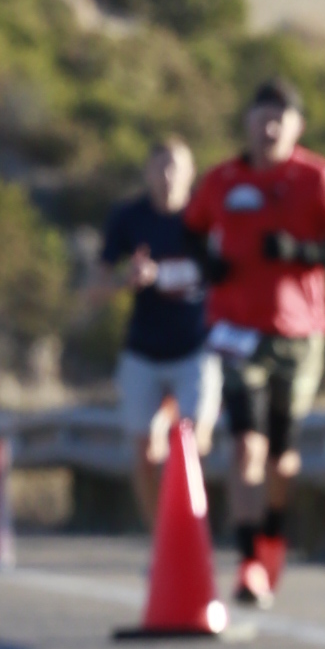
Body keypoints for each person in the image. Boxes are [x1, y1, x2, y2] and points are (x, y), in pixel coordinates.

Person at [185, 82, 325, 608]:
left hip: (298, 334)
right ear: (246, 122)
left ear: (296, 128)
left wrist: (299, 251)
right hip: (236, 332)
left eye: (279, 120)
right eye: (261, 118)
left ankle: (272, 536)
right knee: (246, 445)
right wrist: (208, 264)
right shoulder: (221, 180)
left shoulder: (317, 177)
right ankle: (247, 563)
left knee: (281, 457)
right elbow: (191, 230)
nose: (268, 129)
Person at [99, 137, 220, 524]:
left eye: (176, 167)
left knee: (194, 440)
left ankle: (190, 524)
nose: (168, 176)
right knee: (145, 450)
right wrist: (128, 280)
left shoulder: (207, 216)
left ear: (191, 172)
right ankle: (161, 533)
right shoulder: (128, 218)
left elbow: (230, 271)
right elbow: (96, 286)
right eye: (160, 167)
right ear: (147, 173)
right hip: (143, 349)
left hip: (196, 347)